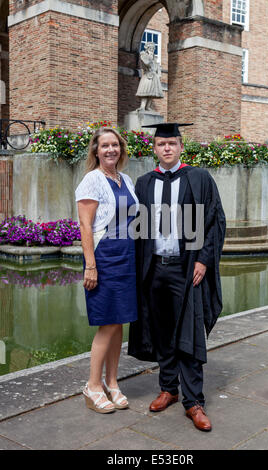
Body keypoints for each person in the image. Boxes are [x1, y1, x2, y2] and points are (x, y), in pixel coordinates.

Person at [128, 123, 226, 431]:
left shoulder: (198, 178)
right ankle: (169, 388)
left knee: (189, 331)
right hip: (154, 267)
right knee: (161, 330)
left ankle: (194, 401)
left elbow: (215, 221)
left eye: (172, 143)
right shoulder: (144, 183)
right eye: (161, 144)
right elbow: (138, 228)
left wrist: (204, 260)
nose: (167, 148)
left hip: (187, 267)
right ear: (154, 149)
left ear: (181, 146)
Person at [75, 127, 139, 414]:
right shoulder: (92, 180)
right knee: (107, 323)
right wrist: (91, 265)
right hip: (104, 257)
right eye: (105, 146)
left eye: (115, 145)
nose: (111, 149)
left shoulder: (126, 179)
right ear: (96, 151)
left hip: (127, 257)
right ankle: (92, 385)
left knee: (120, 322)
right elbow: (85, 225)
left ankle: (112, 382)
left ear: (121, 149)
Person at [136, 42, 164, 111]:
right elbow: (147, 63)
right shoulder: (144, 55)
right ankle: (142, 106)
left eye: (153, 48)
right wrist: (150, 57)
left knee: (152, 93)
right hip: (147, 75)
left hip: (154, 76)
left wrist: (159, 73)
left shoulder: (154, 58)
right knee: (145, 91)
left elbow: (157, 67)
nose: (152, 49)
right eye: (150, 48)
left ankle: (148, 106)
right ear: (147, 48)